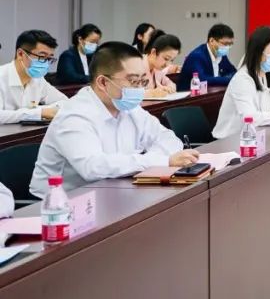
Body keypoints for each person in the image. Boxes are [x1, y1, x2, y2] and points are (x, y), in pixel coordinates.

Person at [29, 42, 199, 198]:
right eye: (134, 81)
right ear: (103, 82)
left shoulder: (129, 108)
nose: (140, 89)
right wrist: (160, 161)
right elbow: (94, 167)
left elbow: (169, 140)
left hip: (111, 192)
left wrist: (150, 160)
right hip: (56, 205)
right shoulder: (75, 116)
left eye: (143, 81)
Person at [0, 30, 67, 124]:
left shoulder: (38, 79)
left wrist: (40, 110)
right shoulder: (2, 77)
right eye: (42, 56)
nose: (46, 63)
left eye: (49, 58)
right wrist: (39, 112)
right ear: (20, 54)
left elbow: (65, 102)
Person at [178, 23, 237, 91]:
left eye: (230, 44)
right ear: (211, 41)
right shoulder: (197, 56)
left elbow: (234, 72)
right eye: (225, 44)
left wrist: (230, 78)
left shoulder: (221, 55)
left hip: (211, 92)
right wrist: (229, 79)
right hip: (189, 95)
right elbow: (202, 80)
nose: (228, 47)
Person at [143, 32, 181, 98]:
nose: (167, 64)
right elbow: (127, 93)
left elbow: (171, 84)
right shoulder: (135, 65)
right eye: (166, 59)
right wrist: (152, 93)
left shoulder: (157, 69)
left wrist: (169, 88)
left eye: (171, 60)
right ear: (153, 52)